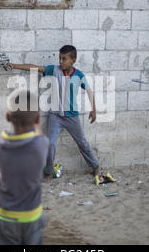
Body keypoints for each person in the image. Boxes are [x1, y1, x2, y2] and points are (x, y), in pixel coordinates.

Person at [8, 45, 103, 185]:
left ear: (73, 61)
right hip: (55, 116)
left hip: (72, 117)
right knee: (51, 144)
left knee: (82, 143)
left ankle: (95, 166)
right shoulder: (54, 70)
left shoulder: (79, 76)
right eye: (59, 58)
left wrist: (93, 110)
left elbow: (89, 92)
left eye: (64, 59)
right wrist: (14, 65)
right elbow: (35, 68)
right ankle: (48, 172)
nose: (60, 61)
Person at [0, 89, 49, 245]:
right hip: (31, 217)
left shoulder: (0, 143)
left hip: (5, 217)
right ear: (38, 119)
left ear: (8, 117)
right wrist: (36, 120)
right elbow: (39, 134)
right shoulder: (40, 145)